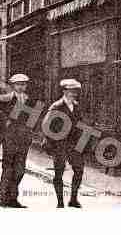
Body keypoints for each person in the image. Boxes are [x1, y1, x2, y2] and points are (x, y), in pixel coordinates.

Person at [0, 74, 35, 208]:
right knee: (8, 168)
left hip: (24, 139)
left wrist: (31, 130)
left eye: (23, 84)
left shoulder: (30, 101)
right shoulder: (5, 99)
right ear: (13, 86)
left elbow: (34, 119)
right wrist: (6, 120)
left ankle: (13, 199)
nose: (21, 86)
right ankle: (3, 198)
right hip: (9, 138)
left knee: (20, 169)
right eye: (18, 84)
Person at [43, 79, 85, 208]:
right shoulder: (56, 106)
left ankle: (73, 199)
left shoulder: (77, 107)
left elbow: (80, 125)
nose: (73, 94)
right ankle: (60, 202)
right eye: (71, 91)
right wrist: (51, 143)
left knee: (79, 170)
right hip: (59, 144)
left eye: (75, 91)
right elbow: (46, 126)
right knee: (59, 172)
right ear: (64, 91)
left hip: (74, 145)